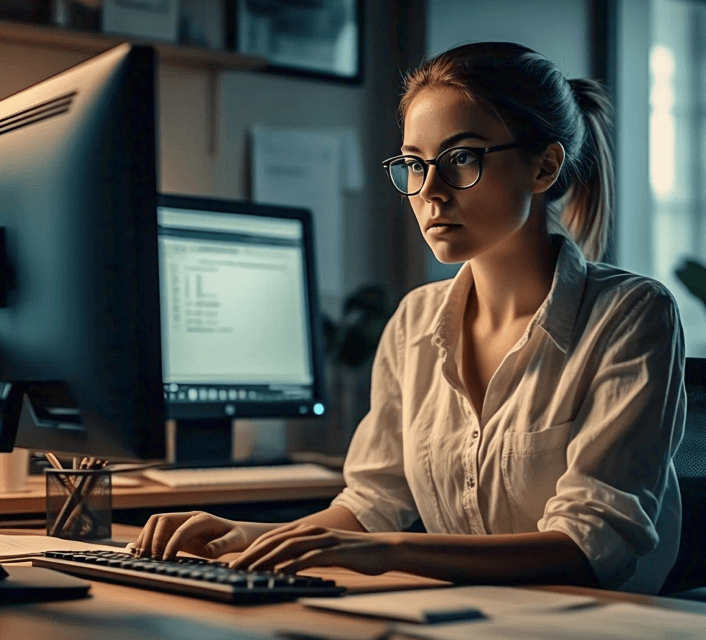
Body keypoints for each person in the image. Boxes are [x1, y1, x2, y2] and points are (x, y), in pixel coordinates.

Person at [135, 42, 686, 594]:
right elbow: (373, 504)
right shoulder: (414, 321)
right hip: (463, 620)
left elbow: (588, 546)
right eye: (414, 164)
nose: (430, 191)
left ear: (544, 167)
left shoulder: (631, 315)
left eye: (462, 158)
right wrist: (245, 536)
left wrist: (384, 552)